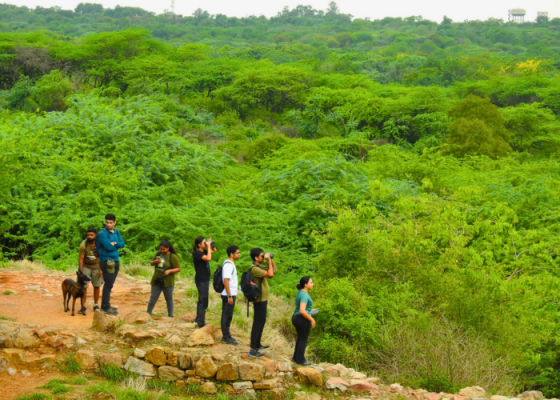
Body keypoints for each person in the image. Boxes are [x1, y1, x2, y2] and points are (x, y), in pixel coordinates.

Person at [248, 248, 276, 358]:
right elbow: (270, 275)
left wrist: (270, 259)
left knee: (261, 321)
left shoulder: (259, 267)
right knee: (257, 323)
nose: (263, 257)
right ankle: (253, 349)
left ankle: (257, 344)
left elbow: (274, 270)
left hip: (263, 299)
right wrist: (268, 261)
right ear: (256, 258)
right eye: (261, 255)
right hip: (259, 300)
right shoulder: (254, 269)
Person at [96, 213, 125, 316]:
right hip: (106, 260)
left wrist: (115, 243)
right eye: (107, 222)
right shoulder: (102, 233)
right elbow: (108, 247)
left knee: (110, 283)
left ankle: (106, 305)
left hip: (116, 259)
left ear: (114, 223)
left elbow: (122, 243)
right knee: (108, 284)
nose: (108, 224)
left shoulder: (116, 232)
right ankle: (105, 307)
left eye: (111, 222)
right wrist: (115, 245)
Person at [147, 240, 181, 318]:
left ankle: (170, 316)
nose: (162, 251)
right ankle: (148, 313)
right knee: (153, 297)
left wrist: (170, 271)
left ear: (168, 248)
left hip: (168, 281)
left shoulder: (172, 256)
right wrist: (155, 261)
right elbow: (151, 263)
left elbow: (178, 268)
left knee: (169, 298)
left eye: (164, 249)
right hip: (157, 279)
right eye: (161, 249)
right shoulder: (158, 254)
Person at [192, 236, 216, 328]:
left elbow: (214, 250)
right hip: (201, 279)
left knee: (203, 299)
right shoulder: (197, 253)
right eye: (204, 242)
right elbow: (208, 258)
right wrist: (209, 247)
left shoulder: (203, 251)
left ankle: (198, 319)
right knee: (203, 300)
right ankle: (200, 322)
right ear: (199, 244)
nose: (205, 244)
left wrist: (211, 244)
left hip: (205, 278)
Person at [292, 276, 316, 366]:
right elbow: (302, 310)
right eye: (311, 282)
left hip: (296, 317)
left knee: (300, 338)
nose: (312, 284)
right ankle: (301, 360)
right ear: (305, 285)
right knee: (303, 339)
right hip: (302, 319)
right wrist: (311, 319)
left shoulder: (300, 292)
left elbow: (302, 308)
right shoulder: (305, 295)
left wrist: (311, 311)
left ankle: (296, 358)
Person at [79, 228, 103, 313]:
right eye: (88, 235)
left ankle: (96, 305)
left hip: (97, 266)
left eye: (91, 235)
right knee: (84, 286)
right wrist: (81, 273)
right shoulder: (83, 245)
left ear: (95, 236)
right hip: (86, 266)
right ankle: (83, 305)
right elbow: (81, 259)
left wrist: (102, 269)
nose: (89, 236)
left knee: (97, 286)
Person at [221, 245, 240, 345]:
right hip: (228, 294)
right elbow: (226, 280)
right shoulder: (228, 265)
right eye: (237, 253)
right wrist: (229, 296)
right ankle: (225, 336)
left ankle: (227, 335)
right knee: (227, 315)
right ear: (231, 254)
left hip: (230, 293)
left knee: (228, 314)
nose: (239, 254)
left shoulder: (231, 264)